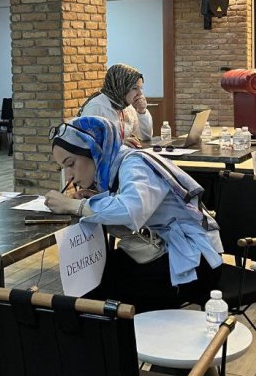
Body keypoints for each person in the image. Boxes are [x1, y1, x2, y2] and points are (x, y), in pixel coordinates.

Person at [44, 116, 223, 312]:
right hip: (173, 247)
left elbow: (131, 209)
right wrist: (98, 200)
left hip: (196, 259)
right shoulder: (119, 164)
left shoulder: (134, 164)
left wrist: (76, 206)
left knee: (107, 285)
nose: (68, 176)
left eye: (70, 164)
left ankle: (132, 330)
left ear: (95, 151)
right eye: (63, 168)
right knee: (101, 272)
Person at [79, 63, 153, 146]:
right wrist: (117, 144)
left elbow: (145, 137)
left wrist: (142, 111)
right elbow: (85, 143)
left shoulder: (126, 106)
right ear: (120, 86)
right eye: (135, 88)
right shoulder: (96, 107)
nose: (140, 93)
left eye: (141, 88)